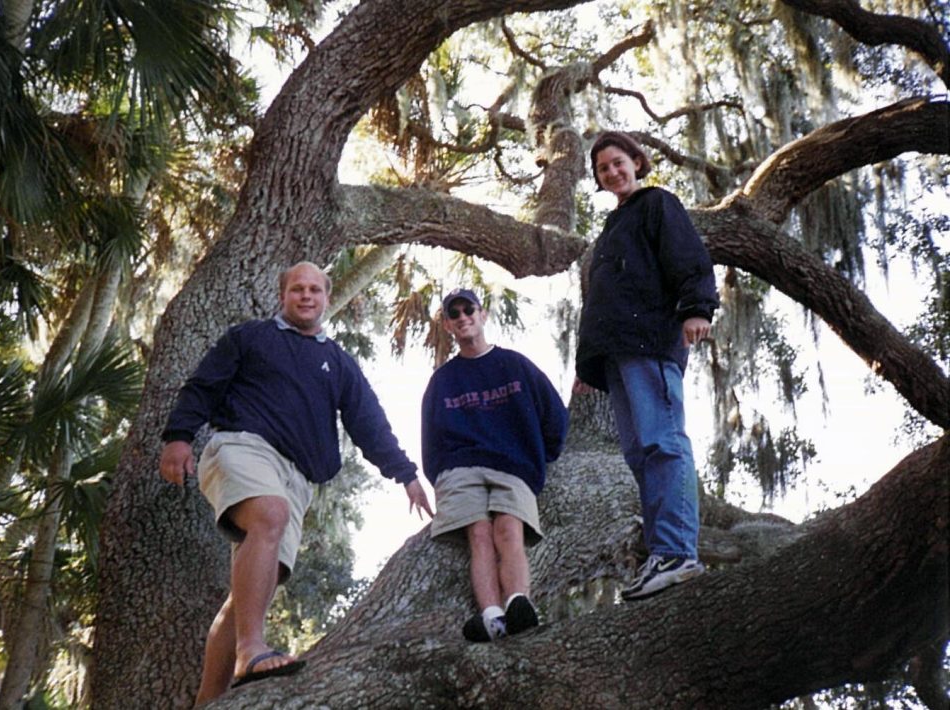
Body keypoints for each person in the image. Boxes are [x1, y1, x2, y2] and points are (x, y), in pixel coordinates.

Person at [159, 262, 433, 703]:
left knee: (250, 593)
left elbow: (370, 425)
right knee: (269, 514)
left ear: (326, 298)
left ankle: (209, 700)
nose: (306, 296)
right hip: (242, 447)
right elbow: (202, 387)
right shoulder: (250, 338)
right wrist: (177, 438)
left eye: (314, 290)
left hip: (297, 477)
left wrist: (406, 475)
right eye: (296, 289)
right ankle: (252, 649)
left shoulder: (339, 362)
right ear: (283, 296)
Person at [574, 131, 719, 601]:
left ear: (637, 162)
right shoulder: (612, 226)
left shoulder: (657, 203)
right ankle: (661, 555)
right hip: (615, 354)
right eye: (603, 169)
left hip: (651, 344)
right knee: (639, 453)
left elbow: (687, 256)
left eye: (618, 162)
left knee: (664, 441)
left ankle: (679, 552)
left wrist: (697, 307)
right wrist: (586, 364)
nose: (613, 172)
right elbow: (603, 299)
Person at [422, 288, 569, 641]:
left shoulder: (515, 365)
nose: (463, 317)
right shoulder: (442, 380)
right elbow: (429, 440)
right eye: (454, 314)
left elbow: (555, 416)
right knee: (479, 535)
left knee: (508, 528)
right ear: (448, 325)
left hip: (513, 464)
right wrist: (440, 475)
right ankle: (492, 616)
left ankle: (519, 603)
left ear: (482, 314)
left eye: (468, 309)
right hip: (461, 468)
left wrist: (539, 458)